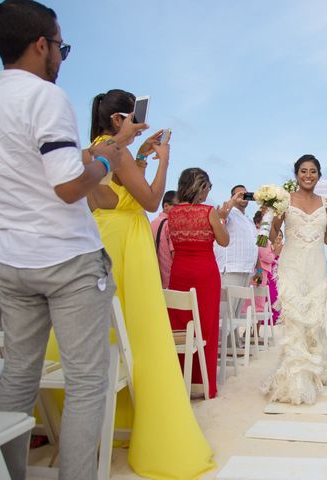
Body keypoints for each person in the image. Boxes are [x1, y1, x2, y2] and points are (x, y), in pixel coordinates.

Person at [0, 1, 144, 478]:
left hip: (11, 261)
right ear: (42, 45)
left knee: (18, 379)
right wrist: (111, 154)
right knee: (87, 383)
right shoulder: (45, 97)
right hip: (67, 260)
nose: (62, 55)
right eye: (62, 45)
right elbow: (68, 186)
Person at [89, 91, 214, 477]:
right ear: (118, 119)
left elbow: (118, 188)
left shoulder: (94, 149)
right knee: (141, 332)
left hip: (99, 237)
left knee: (106, 330)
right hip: (129, 243)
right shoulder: (118, 152)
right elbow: (150, 198)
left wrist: (140, 154)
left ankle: (104, 421)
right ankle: (144, 422)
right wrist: (163, 162)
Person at [262, 154, 327, 404]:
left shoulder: (326, 203)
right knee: (295, 321)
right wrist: (269, 218)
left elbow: (326, 234)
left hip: (316, 266)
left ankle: (315, 371)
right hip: (291, 265)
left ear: (319, 175)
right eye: (303, 171)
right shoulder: (284, 200)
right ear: (296, 174)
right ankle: (296, 381)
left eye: (312, 171)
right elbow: (274, 232)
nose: (308, 175)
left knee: (314, 320)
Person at [168, 168, 232, 399]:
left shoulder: (172, 213)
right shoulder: (208, 212)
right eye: (208, 188)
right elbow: (224, 241)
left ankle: (181, 381)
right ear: (200, 187)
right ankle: (203, 384)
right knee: (206, 327)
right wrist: (221, 219)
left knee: (180, 325)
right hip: (205, 273)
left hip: (179, 273)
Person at [214, 184, 258, 290]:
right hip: (231, 270)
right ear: (232, 197)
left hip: (247, 271)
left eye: (245, 194)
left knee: (238, 307)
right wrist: (233, 201)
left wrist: (259, 270)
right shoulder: (229, 213)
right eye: (239, 194)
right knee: (227, 306)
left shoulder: (249, 221)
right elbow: (221, 216)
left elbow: (256, 247)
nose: (243, 196)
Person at [151, 190, 176, 288]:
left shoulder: (152, 223)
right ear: (166, 206)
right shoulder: (170, 225)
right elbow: (175, 255)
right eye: (177, 206)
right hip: (170, 280)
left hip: (155, 279)